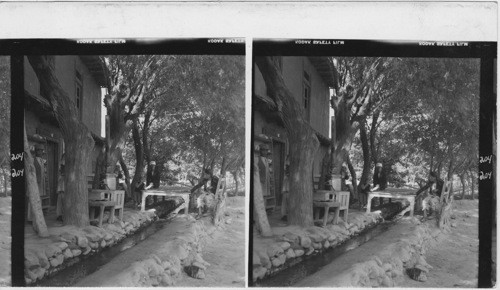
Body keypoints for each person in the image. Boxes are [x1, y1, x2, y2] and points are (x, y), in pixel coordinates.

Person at [56, 156, 65, 222]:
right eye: (62, 159)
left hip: (64, 185)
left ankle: (62, 215)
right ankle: (59, 215)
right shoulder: (61, 166)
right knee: (60, 199)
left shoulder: (64, 166)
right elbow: (60, 172)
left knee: (63, 199)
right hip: (61, 185)